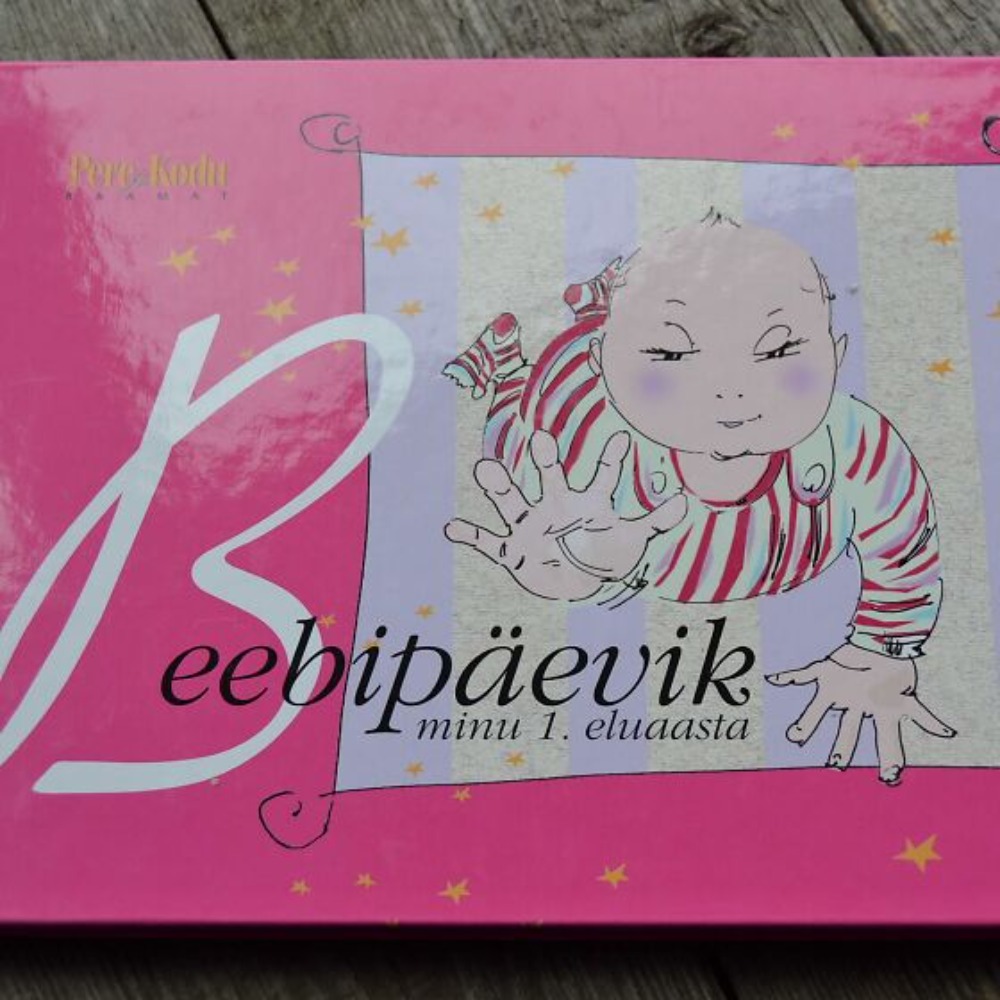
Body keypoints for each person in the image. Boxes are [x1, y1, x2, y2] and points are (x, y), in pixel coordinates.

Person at [443, 211, 955, 784]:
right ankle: (506, 357)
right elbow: (559, 548)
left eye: (780, 349)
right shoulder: (589, 467)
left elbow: (905, 546)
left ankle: (611, 312)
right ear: (605, 363)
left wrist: (882, 649)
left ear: (835, 355)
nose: (731, 389)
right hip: (578, 408)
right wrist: (571, 565)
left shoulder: (856, 446)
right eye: (672, 355)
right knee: (510, 432)